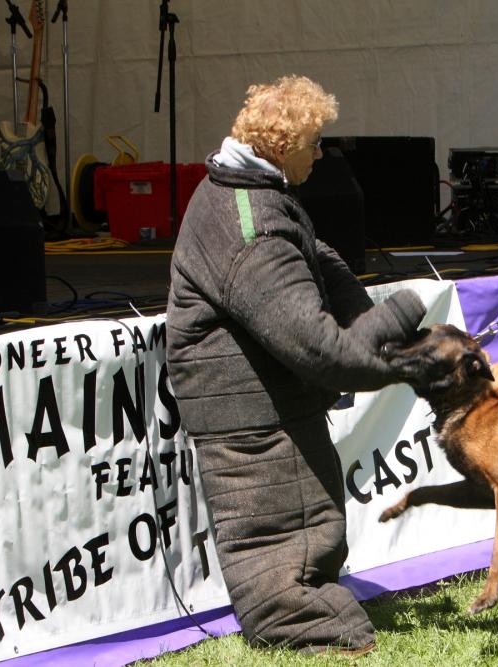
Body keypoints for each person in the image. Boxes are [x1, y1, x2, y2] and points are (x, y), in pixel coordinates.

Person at [165, 75, 428, 655]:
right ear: (282, 149)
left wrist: (397, 330)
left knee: (310, 525)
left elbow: (320, 262)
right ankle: (305, 627)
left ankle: (320, 614)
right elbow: (322, 353)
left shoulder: (256, 193)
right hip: (246, 413)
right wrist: (409, 321)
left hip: (271, 403)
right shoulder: (249, 226)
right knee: (278, 541)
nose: (323, 154)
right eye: (315, 143)